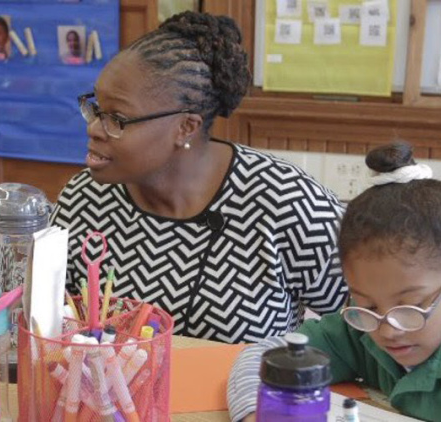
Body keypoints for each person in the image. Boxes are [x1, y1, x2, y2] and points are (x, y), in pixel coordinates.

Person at [49, 11, 347, 344]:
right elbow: (52, 323)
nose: (93, 128)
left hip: (241, 395)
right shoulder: (83, 199)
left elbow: (368, 328)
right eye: (96, 109)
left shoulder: (287, 202)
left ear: (185, 127)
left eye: (117, 118)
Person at [227, 142, 441, 422]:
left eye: (410, 306)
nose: (387, 331)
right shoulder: (361, 333)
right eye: (367, 306)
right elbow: (262, 358)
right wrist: (256, 414)